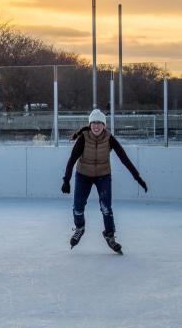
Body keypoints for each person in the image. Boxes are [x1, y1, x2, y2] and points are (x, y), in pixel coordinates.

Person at [61, 109, 147, 254]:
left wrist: (137, 177)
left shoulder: (109, 138)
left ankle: (110, 235)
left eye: (99, 123)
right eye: (93, 123)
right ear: (89, 124)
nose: (96, 126)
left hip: (103, 175)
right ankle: (80, 227)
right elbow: (71, 160)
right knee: (77, 207)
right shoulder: (83, 138)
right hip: (83, 175)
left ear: (104, 125)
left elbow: (124, 158)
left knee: (106, 208)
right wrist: (66, 180)